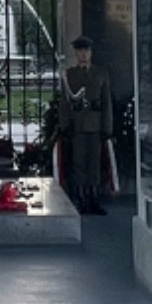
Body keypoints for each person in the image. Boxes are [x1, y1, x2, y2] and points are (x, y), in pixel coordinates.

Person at [57, 37, 113, 216]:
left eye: (86, 51)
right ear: (76, 53)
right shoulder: (70, 74)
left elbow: (106, 103)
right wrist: (65, 125)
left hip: (95, 126)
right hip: (78, 125)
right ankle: (81, 199)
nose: (83, 54)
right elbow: (65, 103)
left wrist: (107, 127)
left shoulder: (101, 73)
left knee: (94, 164)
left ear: (91, 52)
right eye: (80, 51)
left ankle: (93, 199)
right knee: (80, 163)